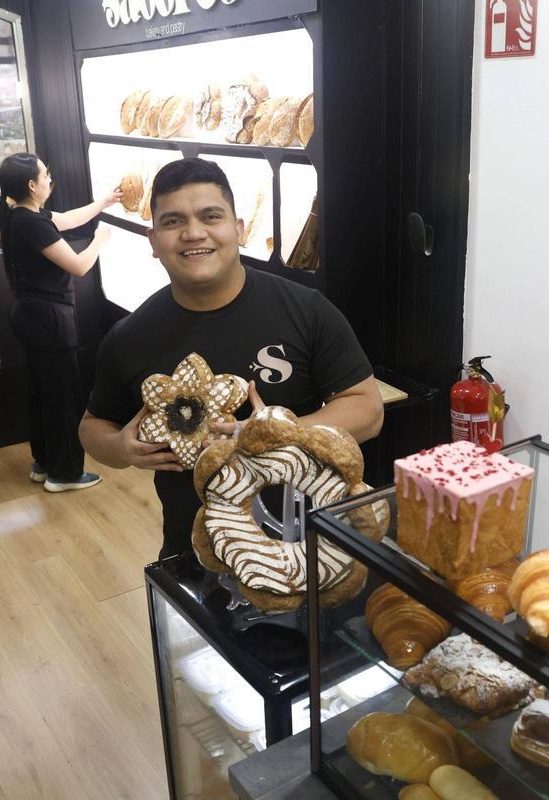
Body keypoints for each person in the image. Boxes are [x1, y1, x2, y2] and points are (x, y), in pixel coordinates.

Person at [79, 157, 383, 559]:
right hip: (196, 545)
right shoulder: (129, 337)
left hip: (308, 537)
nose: (193, 233)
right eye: (173, 222)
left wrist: (274, 433)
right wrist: (120, 447)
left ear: (238, 231)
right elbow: (92, 425)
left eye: (211, 216)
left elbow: (368, 410)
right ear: (153, 242)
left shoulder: (305, 309)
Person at [0, 152, 122, 492]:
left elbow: (65, 220)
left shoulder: (19, 212)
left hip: (31, 316)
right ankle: (64, 474)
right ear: (31, 185)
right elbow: (79, 266)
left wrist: (104, 202)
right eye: (45, 175)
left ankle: (44, 463)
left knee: (43, 393)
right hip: (48, 319)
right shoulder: (30, 222)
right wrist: (100, 240)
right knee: (64, 397)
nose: (50, 179)